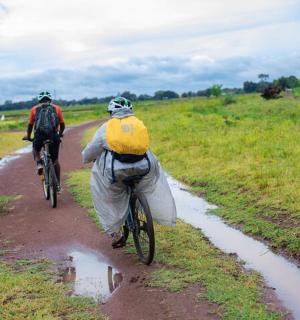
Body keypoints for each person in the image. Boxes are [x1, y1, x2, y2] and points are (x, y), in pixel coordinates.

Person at [82, 96, 176, 248]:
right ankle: (140, 203)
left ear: (111, 112)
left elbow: (90, 152)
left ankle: (115, 232)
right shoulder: (138, 124)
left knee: (105, 193)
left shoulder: (106, 127)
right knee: (139, 183)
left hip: (117, 171)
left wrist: (86, 158)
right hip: (144, 167)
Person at [24, 91, 65, 184]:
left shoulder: (34, 109)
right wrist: (60, 134)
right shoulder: (57, 108)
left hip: (39, 135)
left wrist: (29, 136)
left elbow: (30, 125)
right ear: (50, 100)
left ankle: (39, 164)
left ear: (39, 100)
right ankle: (57, 184)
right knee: (55, 161)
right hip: (53, 136)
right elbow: (62, 124)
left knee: (36, 149)